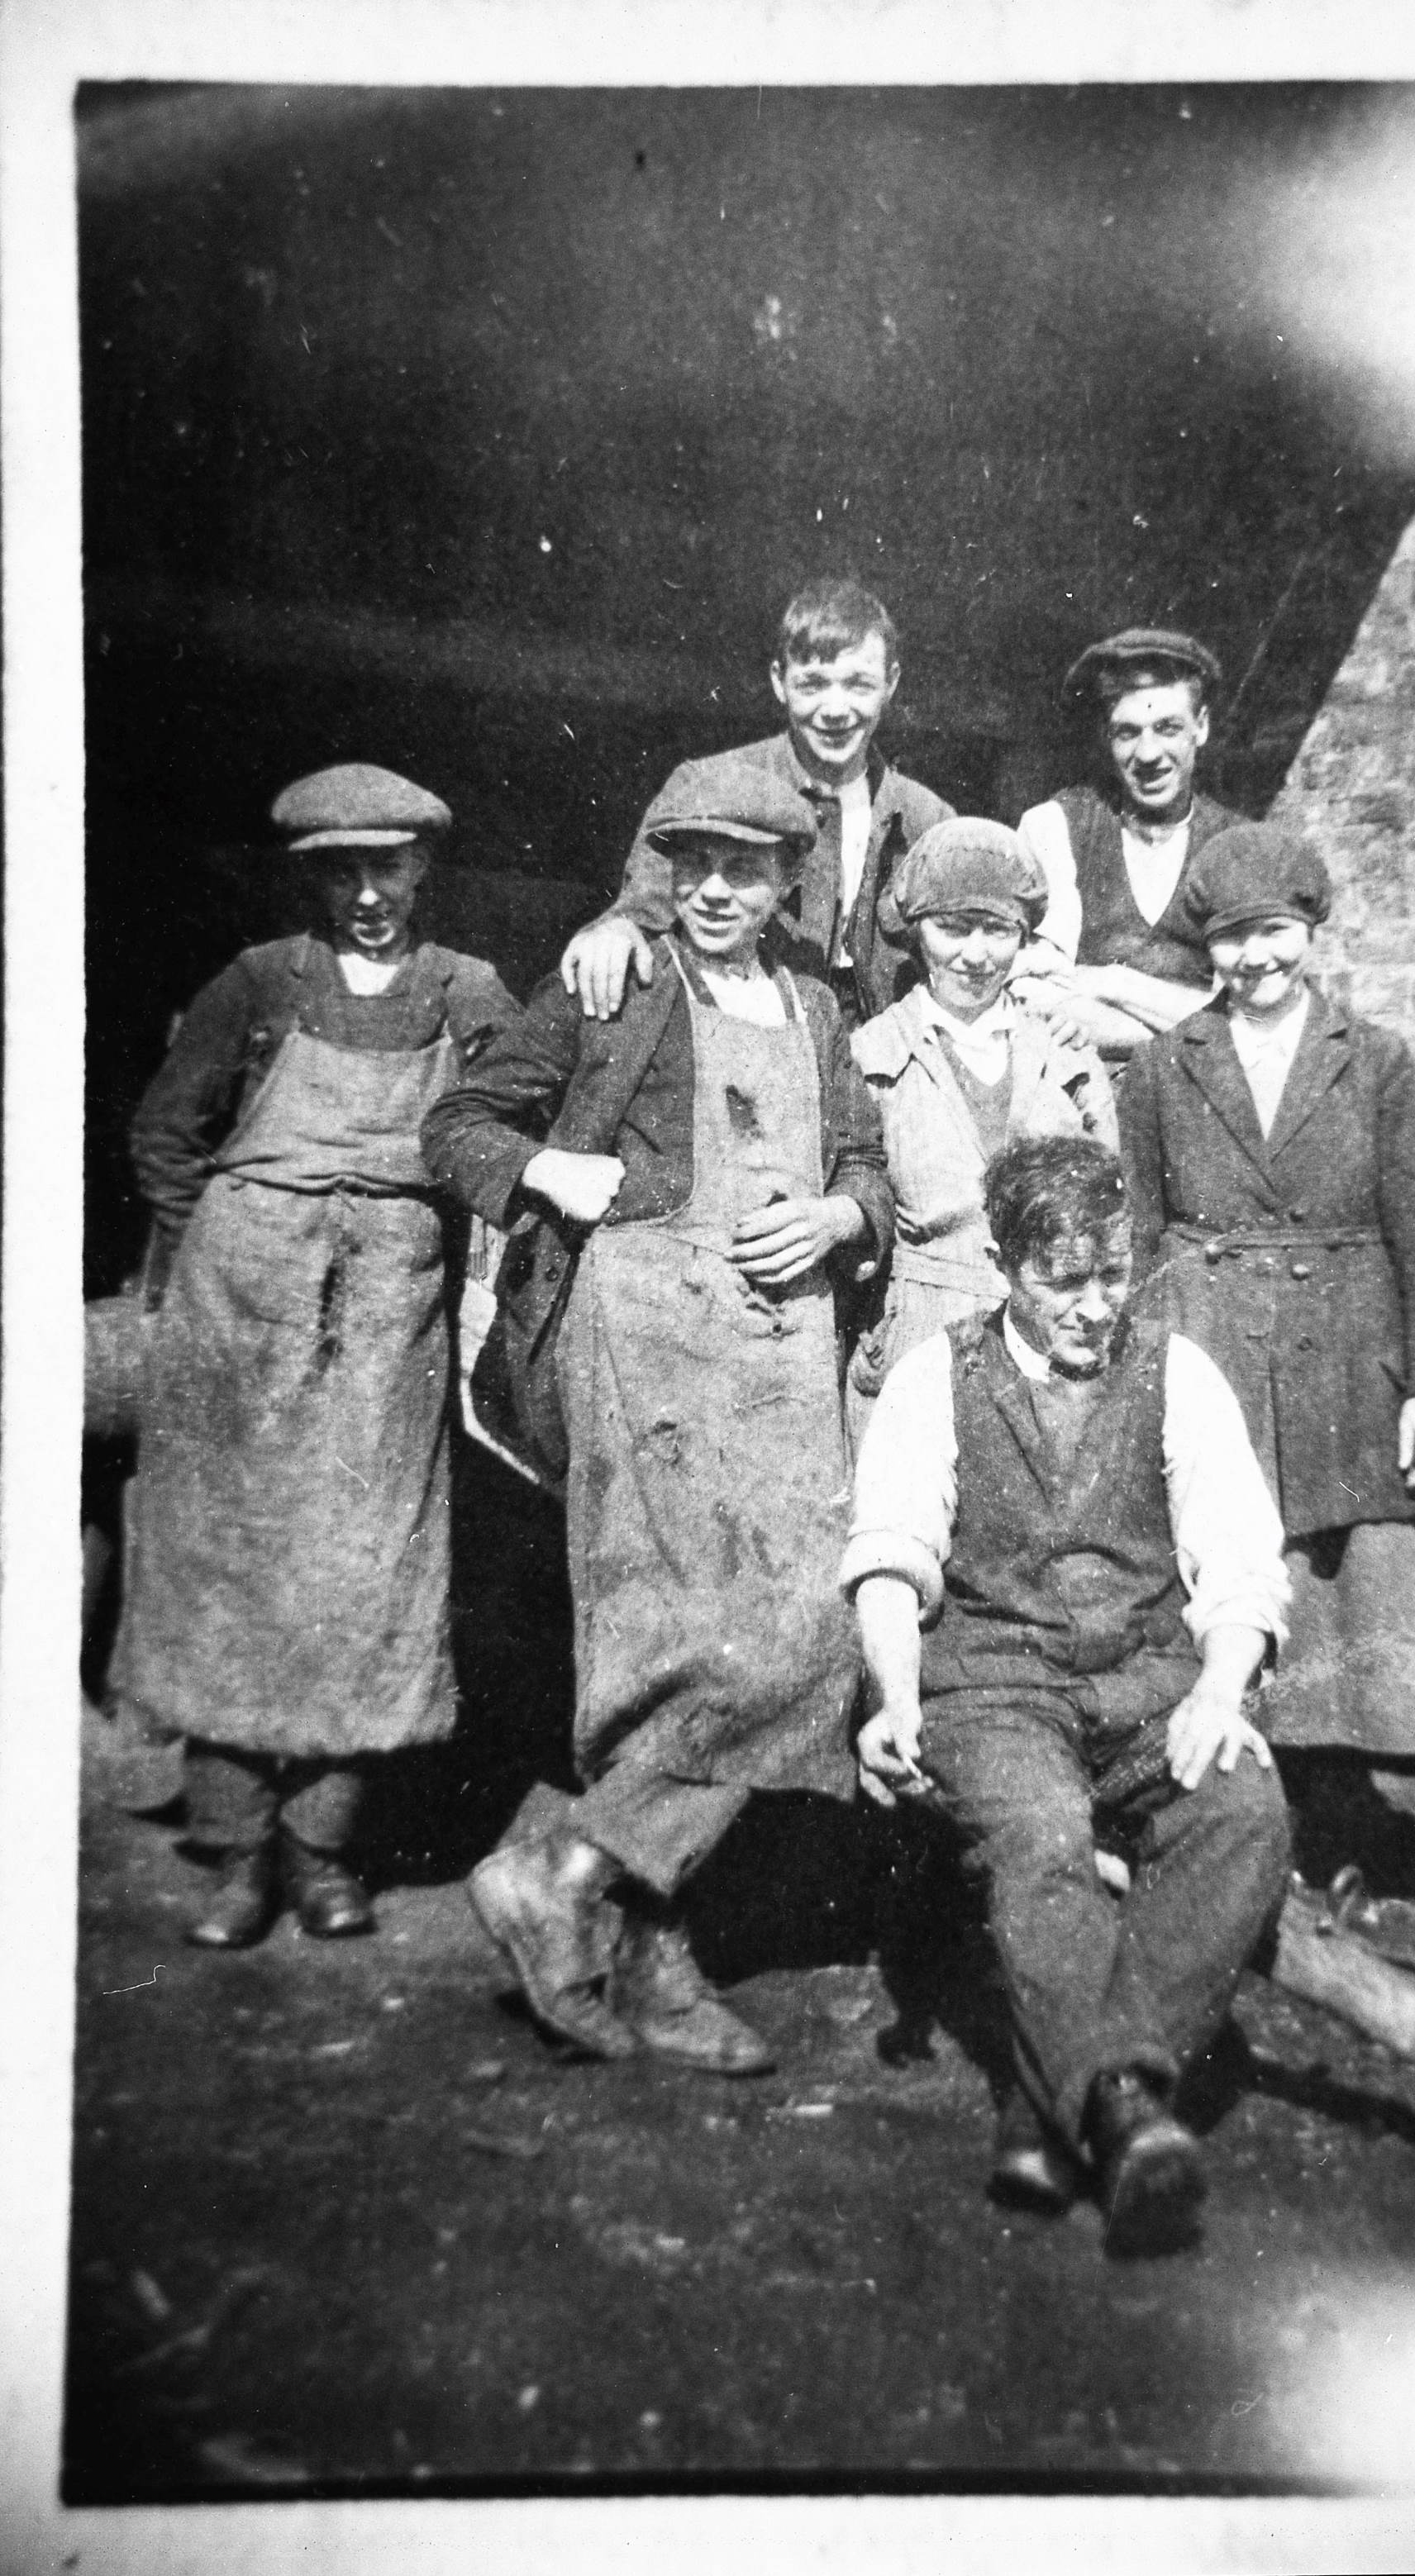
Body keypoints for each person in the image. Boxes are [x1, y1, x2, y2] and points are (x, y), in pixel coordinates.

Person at [422, 762, 894, 2076]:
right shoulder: (615, 985)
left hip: (783, 1354)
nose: (715, 891)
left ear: (788, 884)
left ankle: (573, 1871)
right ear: (665, 873)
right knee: (665, 1640)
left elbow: (866, 1165)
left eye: (744, 870)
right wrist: (541, 1170)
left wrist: (840, 1217)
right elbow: (457, 1122)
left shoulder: (819, 1002)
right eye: (691, 867)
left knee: (821, 1620)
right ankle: (653, 1952)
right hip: (640, 1334)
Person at [843, 1136, 1293, 2255]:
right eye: (1063, 1282)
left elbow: (1238, 1554)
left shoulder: (1178, 1371)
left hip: (1145, 1678)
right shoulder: (932, 1376)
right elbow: (892, 1553)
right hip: (993, 1686)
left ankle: (1055, 2106)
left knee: (1245, 1811)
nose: (1095, 1306)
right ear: (1005, 1265)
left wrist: (1222, 1689)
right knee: (1040, 1834)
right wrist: (896, 1696)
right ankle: (1129, 2113)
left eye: (1112, 1275)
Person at [114, 764, 517, 1948]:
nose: (366, 894)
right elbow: (165, 1131)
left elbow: (516, 1115)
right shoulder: (261, 982)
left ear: (423, 868)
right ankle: (238, 1855)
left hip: (389, 1318)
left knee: (367, 1575)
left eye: (385, 867)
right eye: (340, 872)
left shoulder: (466, 991)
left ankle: (322, 1849)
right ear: (311, 878)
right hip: (239, 1314)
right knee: (224, 1572)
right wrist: (216, 1270)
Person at [1116, 821, 1415, 1759]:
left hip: (1348, 1354)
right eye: (1230, 937)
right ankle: (1238, 1776)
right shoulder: (1161, 1067)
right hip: (1212, 1344)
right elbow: (1140, 1235)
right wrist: (1141, 1377)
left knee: (1346, 1580)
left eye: (1272, 931)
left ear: (1310, 931)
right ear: (1206, 947)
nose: (1253, 957)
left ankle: (1342, 1790)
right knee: (1225, 1552)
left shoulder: (1375, 1059)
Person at [558, 576, 956, 1029]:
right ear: (779, 682)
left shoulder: (930, 820)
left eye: (859, 685)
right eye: (813, 684)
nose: (835, 709)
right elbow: (640, 912)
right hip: (747, 1030)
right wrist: (613, 932)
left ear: (892, 683)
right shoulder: (707, 786)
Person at [846, 817, 1117, 1437]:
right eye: (953, 928)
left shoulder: (1066, 1056)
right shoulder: (871, 1056)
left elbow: (1112, 1215)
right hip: (920, 1342)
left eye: (997, 930)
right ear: (917, 934)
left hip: (1051, 1345)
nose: (975, 954)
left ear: (1022, 937)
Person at [1012, 626, 1242, 1062]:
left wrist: (1112, 984)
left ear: (1202, 727)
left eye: (1168, 727)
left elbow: (1248, 1019)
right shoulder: (1057, 827)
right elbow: (1033, 999)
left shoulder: (1237, 848)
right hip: (1082, 1094)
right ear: (1107, 737)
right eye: (1128, 732)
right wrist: (1193, 1023)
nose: (1149, 753)